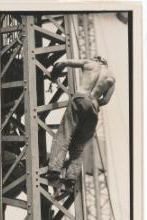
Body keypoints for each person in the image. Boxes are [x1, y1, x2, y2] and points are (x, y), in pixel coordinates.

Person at [46, 56, 115, 188]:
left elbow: (64, 63)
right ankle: (71, 178)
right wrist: (92, 103)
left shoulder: (89, 63)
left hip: (80, 98)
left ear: (97, 60)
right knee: (79, 145)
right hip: (94, 106)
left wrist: (55, 69)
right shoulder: (111, 78)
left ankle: (54, 170)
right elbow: (105, 100)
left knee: (64, 135)